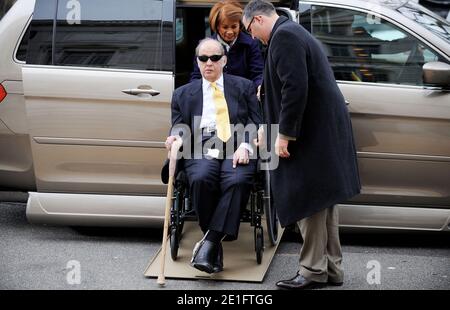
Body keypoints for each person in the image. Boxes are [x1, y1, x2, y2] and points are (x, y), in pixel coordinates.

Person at [243, 0, 361, 289]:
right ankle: (332, 270)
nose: (252, 37)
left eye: (249, 30)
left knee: (308, 200)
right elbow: (290, 82)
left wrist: (284, 135)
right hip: (321, 134)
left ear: (257, 19)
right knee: (323, 202)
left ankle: (311, 271)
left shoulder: (283, 37)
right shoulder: (293, 32)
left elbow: (295, 87)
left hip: (309, 136)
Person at [165, 38, 261, 274]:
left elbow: (256, 121)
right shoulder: (182, 94)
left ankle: (209, 241)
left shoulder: (244, 86)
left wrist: (247, 146)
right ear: (197, 62)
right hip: (200, 144)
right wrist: (175, 138)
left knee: (237, 180)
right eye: (203, 58)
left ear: (224, 60)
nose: (209, 63)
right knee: (199, 178)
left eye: (215, 58)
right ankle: (214, 244)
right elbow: (179, 126)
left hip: (236, 143)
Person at [190, 0, 264, 91]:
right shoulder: (204, 47)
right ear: (217, 26)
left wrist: (260, 87)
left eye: (234, 27)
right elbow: (197, 76)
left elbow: (257, 74)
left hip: (242, 96)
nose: (230, 32)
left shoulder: (251, 44)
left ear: (240, 25)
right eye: (225, 27)